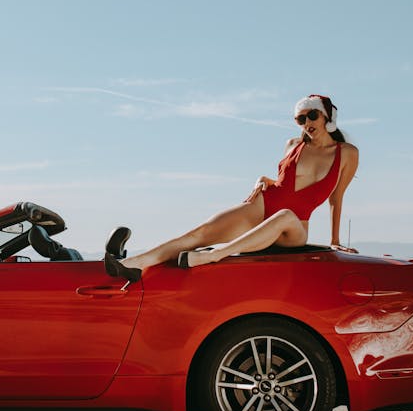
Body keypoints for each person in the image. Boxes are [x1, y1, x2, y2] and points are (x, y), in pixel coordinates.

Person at [105, 94, 359, 281]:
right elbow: (286, 180)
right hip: (263, 205)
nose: (306, 123)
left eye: (312, 116)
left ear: (328, 116)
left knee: (284, 216)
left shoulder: (346, 153)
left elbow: (336, 197)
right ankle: (134, 264)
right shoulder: (293, 144)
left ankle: (215, 255)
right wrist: (265, 179)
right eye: (300, 118)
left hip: (294, 225)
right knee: (201, 233)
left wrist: (334, 240)